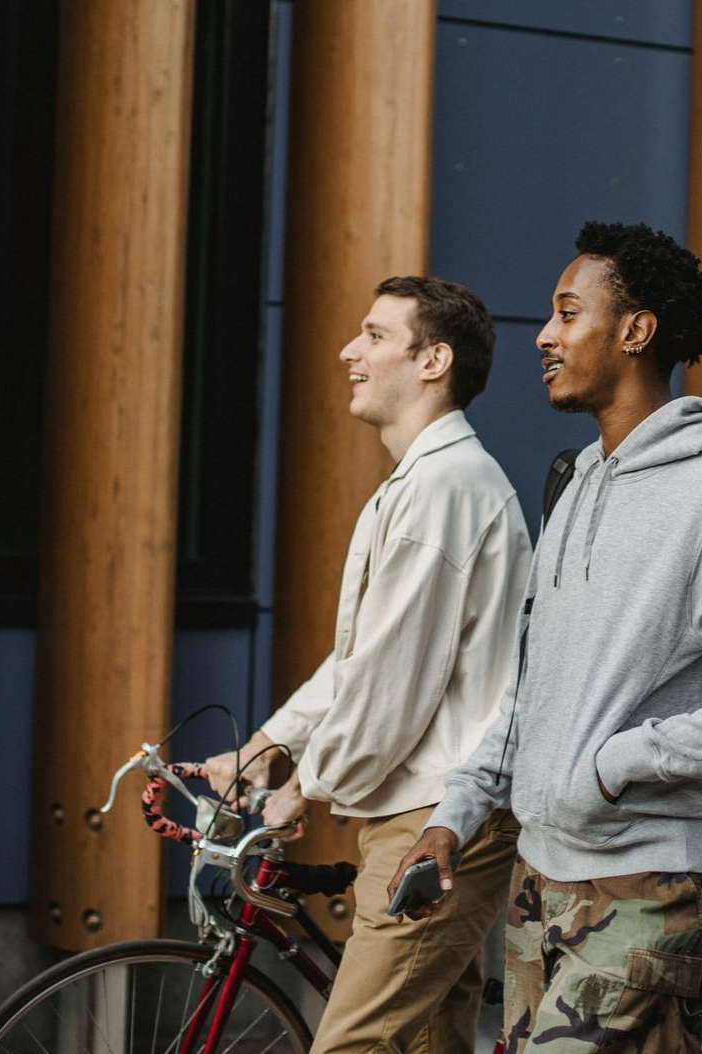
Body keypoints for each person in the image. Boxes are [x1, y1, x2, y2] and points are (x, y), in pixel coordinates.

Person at [390, 222, 702, 1053]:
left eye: (568, 314)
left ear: (635, 331)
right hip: (542, 873)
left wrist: (617, 764)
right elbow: (536, 687)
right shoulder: (573, 485)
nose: (547, 337)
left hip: (647, 877)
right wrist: (454, 814)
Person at [206, 276, 531, 1054]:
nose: (350, 351)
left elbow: (392, 682)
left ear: (434, 360)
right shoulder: (420, 484)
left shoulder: (445, 486)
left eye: (375, 335)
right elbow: (364, 661)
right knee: (428, 1041)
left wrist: (305, 786)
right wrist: (266, 746)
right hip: (418, 807)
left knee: (349, 1045)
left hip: (440, 813)